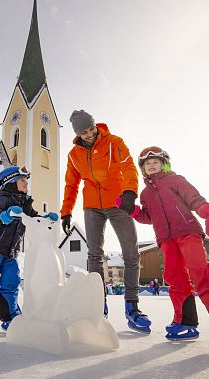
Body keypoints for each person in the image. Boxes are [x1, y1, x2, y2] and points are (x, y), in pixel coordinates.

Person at [132, 146, 209, 351]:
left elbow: (194, 199)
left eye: (155, 161)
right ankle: (186, 323)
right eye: (147, 164)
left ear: (164, 163)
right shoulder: (145, 193)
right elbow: (149, 216)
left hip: (187, 232)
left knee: (201, 275)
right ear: (143, 169)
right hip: (166, 239)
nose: (151, 165)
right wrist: (132, 210)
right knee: (176, 280)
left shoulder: (176, 181)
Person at [59, 109, 151, 334]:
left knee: (131, 253)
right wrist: (66, 212)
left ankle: (132, 306)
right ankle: (99, 305)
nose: (89, 134)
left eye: (91, 129)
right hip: (92, 206)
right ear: (78, 133)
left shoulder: (114, 142)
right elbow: (71, 185)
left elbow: (128, 167)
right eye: (84, 132)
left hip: (118, 202)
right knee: (94, 254)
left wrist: (130, 191)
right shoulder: (74, 155)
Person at [0, 166, 59, 333]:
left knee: (11, 283)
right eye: (22, 180)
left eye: (26, 181)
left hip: (11, 252)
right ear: (10, 182)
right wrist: (4, 216)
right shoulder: (2, 198)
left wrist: (45, 218)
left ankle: (11, 318)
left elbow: (33, 219)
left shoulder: (26, 203)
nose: (26, 184)